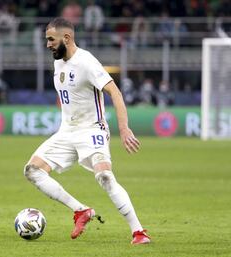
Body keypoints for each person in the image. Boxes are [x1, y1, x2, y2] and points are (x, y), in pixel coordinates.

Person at [24, 17, 150, 244]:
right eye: (47, 40)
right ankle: (81, 210)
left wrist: (124, 128)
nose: (47, 44)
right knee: (32, 170)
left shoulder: (87, 62)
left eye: (51, 39)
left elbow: (116, 93)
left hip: (92, 130)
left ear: (67, 38)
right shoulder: (58, 62)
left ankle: (138, 232)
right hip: (66, 131)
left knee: (104, 176)